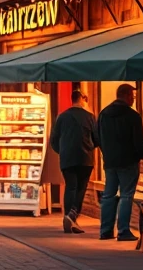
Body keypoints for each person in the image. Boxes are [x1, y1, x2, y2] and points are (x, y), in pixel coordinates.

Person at [96, 83, 143, 241]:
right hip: (128, 161)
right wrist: (139, 155)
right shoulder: (133, 116)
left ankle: (106, 230)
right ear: (125, 95)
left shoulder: (104, 114)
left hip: (110, 162)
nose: (133, 99)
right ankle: (123, 230)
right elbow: (139, 141)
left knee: (108, 195)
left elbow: (96, 137)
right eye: (132, 96)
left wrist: (106, 152)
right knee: (126, 195)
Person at [50, 90, 97, 234]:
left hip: (67, 158)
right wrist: (90, 147)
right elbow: (96, 138)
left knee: (70, 186)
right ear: (82, 99)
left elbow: (53, 140)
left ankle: (68, 217)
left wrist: (62, 151)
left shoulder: (62, 117)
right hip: (85, 158)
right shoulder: (90, 117)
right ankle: (73, 216)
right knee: (81, 188)